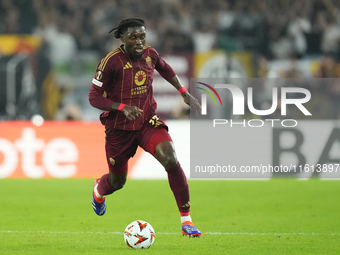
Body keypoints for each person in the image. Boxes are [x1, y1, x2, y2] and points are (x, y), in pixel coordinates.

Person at [88, 18, 201, 237]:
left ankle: (186, 220)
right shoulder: (110, 62)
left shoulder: (151, 54)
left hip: (147, 122)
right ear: (122, 38)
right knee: (117, 181)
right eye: (133, 37)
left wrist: (183, 92)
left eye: (142, 36)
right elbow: (93, 97)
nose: (139, 41)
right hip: (118, 130)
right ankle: (99, 190)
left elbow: (166, 69)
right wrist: (121, 107)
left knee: (170, 158)